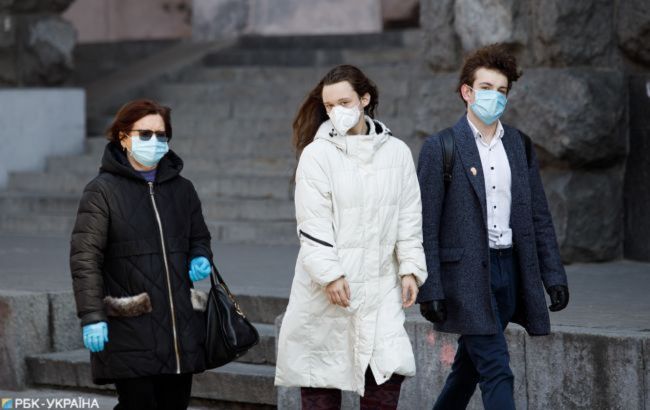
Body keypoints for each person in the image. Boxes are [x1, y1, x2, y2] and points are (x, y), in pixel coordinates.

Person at [416, 44, 570, 410]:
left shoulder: (519, 145)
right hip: (465, 278)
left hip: (509, 270)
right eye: (486, 88)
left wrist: (553, 276)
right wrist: (429, 288)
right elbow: (425, 224)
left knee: (467, 371)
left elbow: (538, 216)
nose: (494, 97)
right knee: (497, 369)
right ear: (466, 92)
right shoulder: (441, 147)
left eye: (501, 90)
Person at [274, 64, 427, 409]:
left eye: (344, 102)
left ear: (364, 99)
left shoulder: (397, 152)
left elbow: (408, 216)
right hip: (327, 294)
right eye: (329, 106)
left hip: (381, 289)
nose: (336, 111)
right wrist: (330, 274)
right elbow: (312, 224)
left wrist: (410, 268)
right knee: (321, 384)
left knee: (385, 380)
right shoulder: (317, 155)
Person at [69, 99, 214, 410]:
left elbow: (199, 237)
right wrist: (92, 316)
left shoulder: (182, 189)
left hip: (178, 324)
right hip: (130, 325)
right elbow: (85, 259)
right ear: (123, 137)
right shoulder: (102, 191)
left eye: (161, 135)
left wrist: (200, 256)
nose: (154, 141)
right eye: (145, 134)